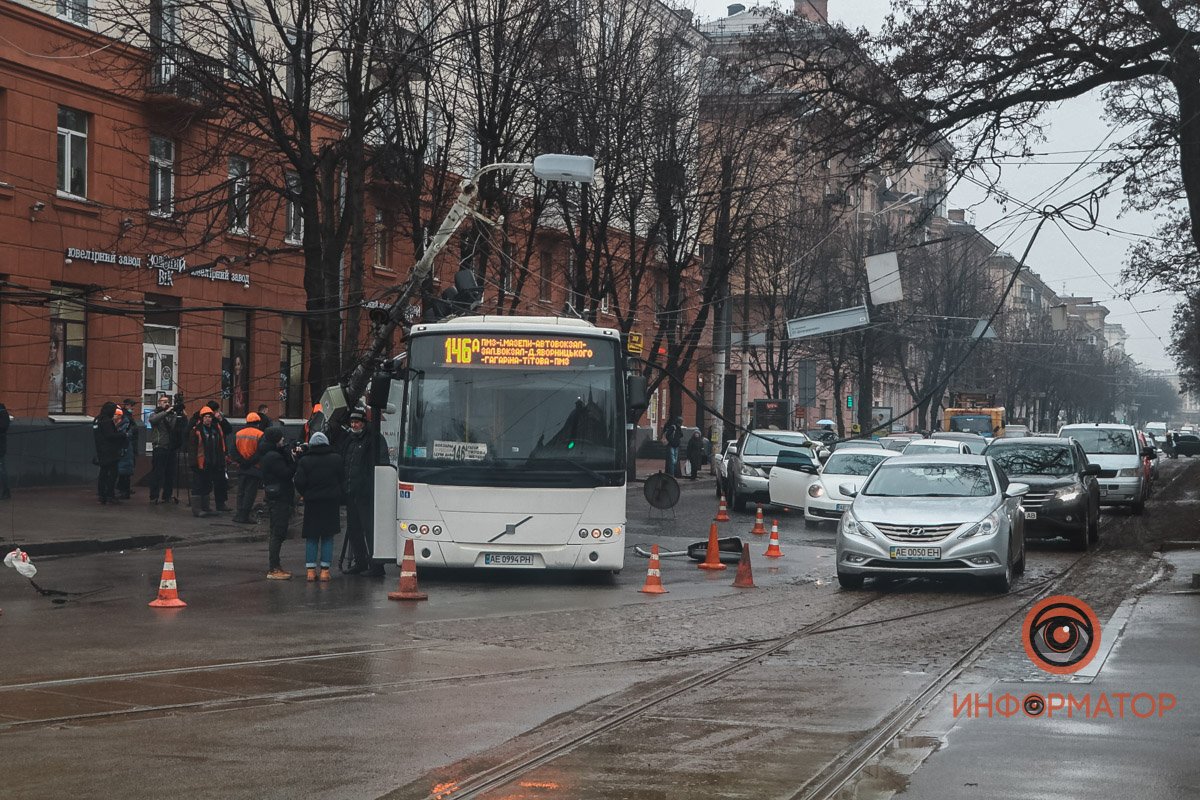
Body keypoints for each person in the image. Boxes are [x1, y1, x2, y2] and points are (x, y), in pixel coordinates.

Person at [340, 408, 390, 576]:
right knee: (354, 529)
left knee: (370, 529)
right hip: (351, 492)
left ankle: (376, 565)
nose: (354, 425)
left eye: (357, 422)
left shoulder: (374, 439)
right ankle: (360, 562)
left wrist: (371, 485)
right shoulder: (349, 440)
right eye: (352, 422)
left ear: (363, 423)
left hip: (367, 493)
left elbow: (382, 463)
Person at [293, 431, 344, 582]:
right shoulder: (336, 459)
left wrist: (306, 493)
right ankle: (325, 571)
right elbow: (342, 478)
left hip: (312, 502)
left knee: (312, 536)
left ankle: (310, 571)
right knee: (328, 536)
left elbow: (299, 481)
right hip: (331, 502)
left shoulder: (305, 461)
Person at [259, 427, 296, 579]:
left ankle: (276, 566)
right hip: (279, 496)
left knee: (277, 531)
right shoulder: (273, 457)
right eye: (280, 438)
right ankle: (274, 568)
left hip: (277, 496)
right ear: (275, 439)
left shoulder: (271, 454)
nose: (283, 440)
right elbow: (286, 473)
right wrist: (295, 462)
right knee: (278, 532)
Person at [189, 407, 226, 518]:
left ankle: (206, 507)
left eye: (210, 417)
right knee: (198, 486)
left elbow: (220, 446)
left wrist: (220, 461)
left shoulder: (215, 429)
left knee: (208, 485)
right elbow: (192, 449)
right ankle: (197, 509)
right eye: (205, 417)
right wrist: (194, 464)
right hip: (200, 463)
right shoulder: (196, 430)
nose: (208, 419)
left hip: (212, 463)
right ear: (202, 418)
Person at [147, 394, 184, 504]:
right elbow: (153, 421)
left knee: (170, 473)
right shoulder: (155, 414)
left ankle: (167, 496)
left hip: (170, 448)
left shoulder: (171, 415)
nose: (166, 403)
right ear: (159, 403)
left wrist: (178, 412)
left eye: (167, 401)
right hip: (160, 447)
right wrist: (166, 412)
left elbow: (175, 426)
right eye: (163, 401)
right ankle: (154, 496)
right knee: (157, 473)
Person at [231, 412, 267, 523]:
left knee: (241, 491)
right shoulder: (260, 434)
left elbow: (233, 451)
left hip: (242, 467)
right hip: (254, 468)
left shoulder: (238, 434)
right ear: (258, 423)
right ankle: (244, 515)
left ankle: (238, 514)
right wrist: (250, 462)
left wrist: (242, 461)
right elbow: (261, 452)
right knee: (250, 492)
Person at [92, 401, 125, 505]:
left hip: (101, 450)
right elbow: (110, 435)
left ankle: (102, 495)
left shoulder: (97, 419)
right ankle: (110, 495)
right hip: (110, 452)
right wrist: (122, 435)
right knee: (112, 474)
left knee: (103, 473)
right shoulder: (106, 420)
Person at [115, 399, 139, 499]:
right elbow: (127, 432)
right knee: (125, 469)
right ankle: (123, 489)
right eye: (131, 405)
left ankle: (124, 488)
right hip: (126, 447)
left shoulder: (127, 417)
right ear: (126, 405)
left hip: (129, 446)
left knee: (127, 469)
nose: (133, 408)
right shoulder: (125, 417)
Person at [0, 401, 11, 500]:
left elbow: (4, 426)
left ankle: (5, 492)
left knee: (1, 469)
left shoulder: (2, 410)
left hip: (0, 446)